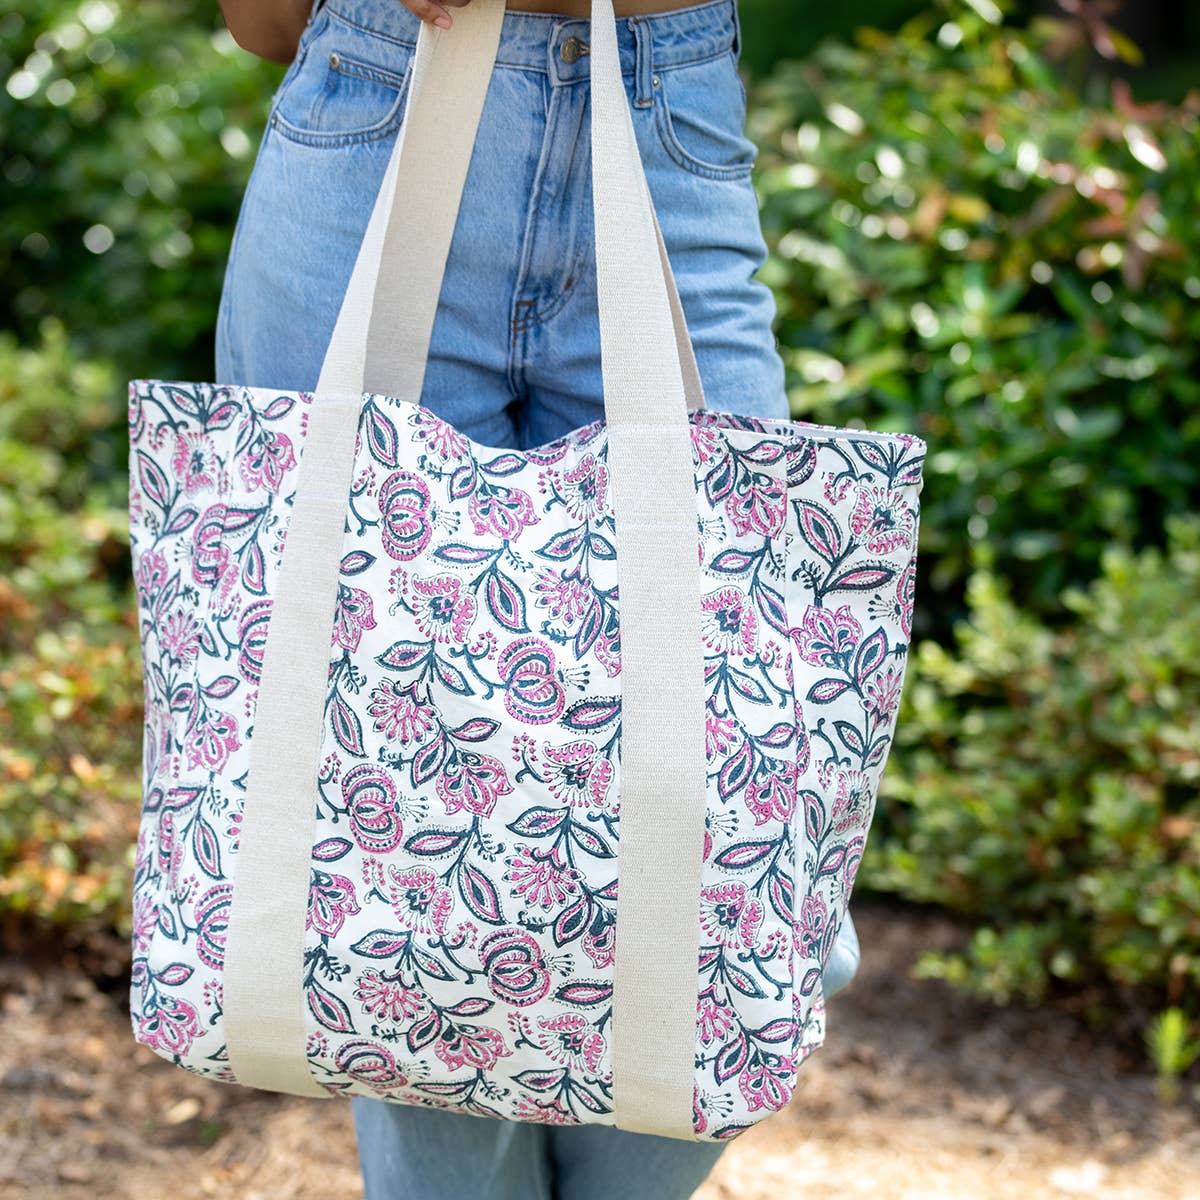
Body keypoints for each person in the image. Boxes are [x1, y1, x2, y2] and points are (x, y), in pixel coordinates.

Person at [212, 0, 862, 1194]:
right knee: (402, 871)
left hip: (667, 132)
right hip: (374, 120)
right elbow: (256, 24)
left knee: (765, 904)